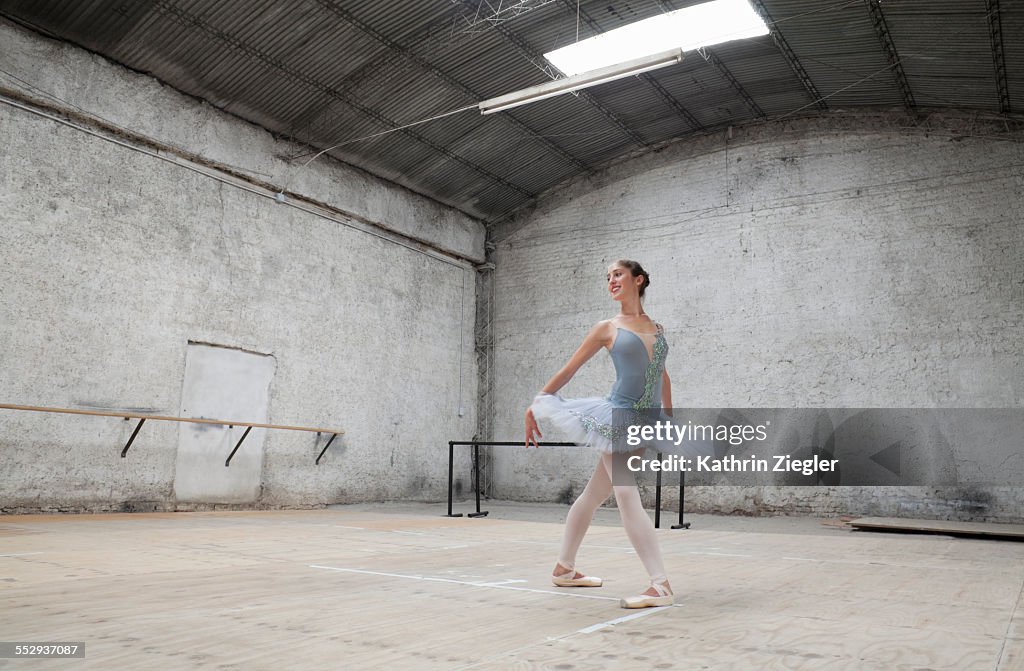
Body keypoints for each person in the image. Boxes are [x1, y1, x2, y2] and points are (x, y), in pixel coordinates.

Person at [524, 259, 678, 609]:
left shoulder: (658, 327)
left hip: (645, 421)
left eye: (618, 274)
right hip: (617, 418)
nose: (611, 280)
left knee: (594, 495)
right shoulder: (606, 328)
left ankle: (564, 568)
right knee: (626, 494)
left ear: (638, 280)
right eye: (607, 277)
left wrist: (668, 420)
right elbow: (570, 369)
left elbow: (663, 376)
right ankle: (660, 584)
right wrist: (538, 401)